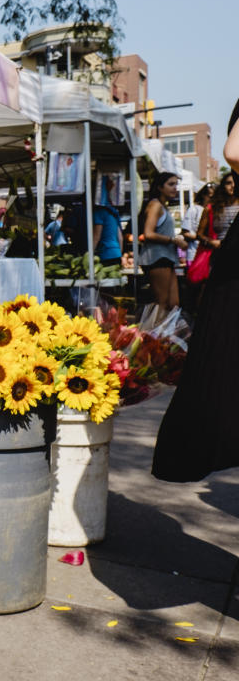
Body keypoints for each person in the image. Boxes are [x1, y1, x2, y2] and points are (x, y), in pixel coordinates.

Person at [152, 97, 239, 481]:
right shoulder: (160, 205)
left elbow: (234, 150)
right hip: (171, 259)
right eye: (171, 183)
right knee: (168, 306)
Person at [139, 172, 187, 317]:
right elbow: (148, 233)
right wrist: (173, 240)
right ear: (160, 187)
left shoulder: (162, 207)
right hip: (158, 258)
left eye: (176, 185)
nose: (175, 188)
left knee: (173, 303)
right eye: (171, 184)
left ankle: (164, 336)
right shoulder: (155, 206)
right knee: (162, 303)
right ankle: (152, 337)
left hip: (166, 258)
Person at [181, 183, 214, 266]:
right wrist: (202, 238)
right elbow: (185, 233)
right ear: (203, 195)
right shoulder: (194, 210)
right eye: (210, 196)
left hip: (210, 254)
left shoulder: (215, 211)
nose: (212, 199)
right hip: (194, 254)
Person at [92, 182, 124, 267]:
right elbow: (120, 238)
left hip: (105, 254)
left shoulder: (99, 212)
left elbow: (96, 236)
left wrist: (89, 255)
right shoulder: (113, 213)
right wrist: (119, 254)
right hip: (116, 254)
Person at [212, 171, 238, 242]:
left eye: (235, 182)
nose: (233, 185)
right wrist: (210, 242)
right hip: (221, 249)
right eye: (228, 183)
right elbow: (200, 234)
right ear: (223, 186)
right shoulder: (215, 207)